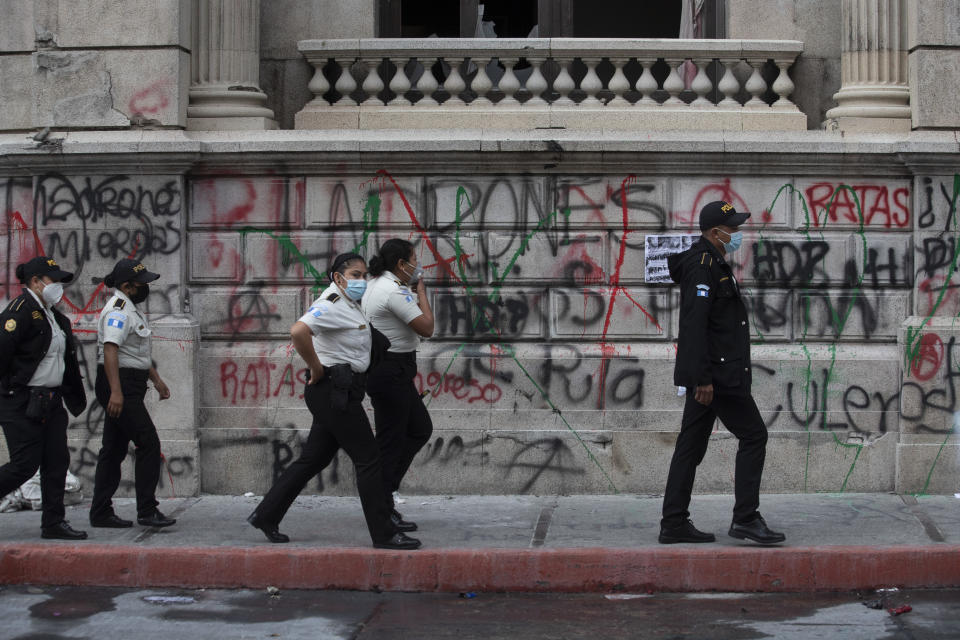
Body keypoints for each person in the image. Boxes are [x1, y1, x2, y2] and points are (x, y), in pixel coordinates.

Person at [247, 252, 420, 550]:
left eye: (364, 275)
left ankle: (266, 515)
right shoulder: (331, 303)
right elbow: (298, 331)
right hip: (332, 391)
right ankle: (385, 533)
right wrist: (315, 367)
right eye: (354, 275)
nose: (361, 280)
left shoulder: (351, 303)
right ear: (339, 278)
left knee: (313, 458)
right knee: (369, 460)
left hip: (343, 390)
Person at [659, 201, 786, 545]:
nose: (737, 235)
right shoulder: (703, 267)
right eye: (732, 228)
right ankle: (745, 518)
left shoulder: (713, 262)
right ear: (716, 233)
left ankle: (673, 522)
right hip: (717, 377)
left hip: (715, 374)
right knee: (755, 435)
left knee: (690, 445)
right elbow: (695, 327)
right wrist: (701, 379)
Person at [0, 256, 88, 539]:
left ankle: (53, 523)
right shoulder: (20, 312)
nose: (59, 286)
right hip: (21, 401)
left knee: (56, 462)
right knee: (24, 464)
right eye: (53, 280)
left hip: (51, 400)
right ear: (36, 282)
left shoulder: (55, 316)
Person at [89, 259, 175, 529]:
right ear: (127, 286)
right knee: (148, 443)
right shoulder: (118, 311)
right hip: (121, 385)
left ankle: (101, 512)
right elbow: (111, 350)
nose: (146, 288)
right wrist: (116, 392)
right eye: (142, 284)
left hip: (130, 382)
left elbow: (133, 352)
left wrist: (157, 379)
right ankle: (147, 510)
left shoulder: (130, 309)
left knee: (113, 450)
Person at [362, 239, 434, 533]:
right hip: (391, 370)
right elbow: (427, 328)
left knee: (418, 429)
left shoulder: (377, 283)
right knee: (392, 443)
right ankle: (382, 507)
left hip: (392, 369)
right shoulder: (391, 290)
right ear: (401, 264)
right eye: (414, 259)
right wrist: (422, 293)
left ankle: (385, 496)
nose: (417, 265)